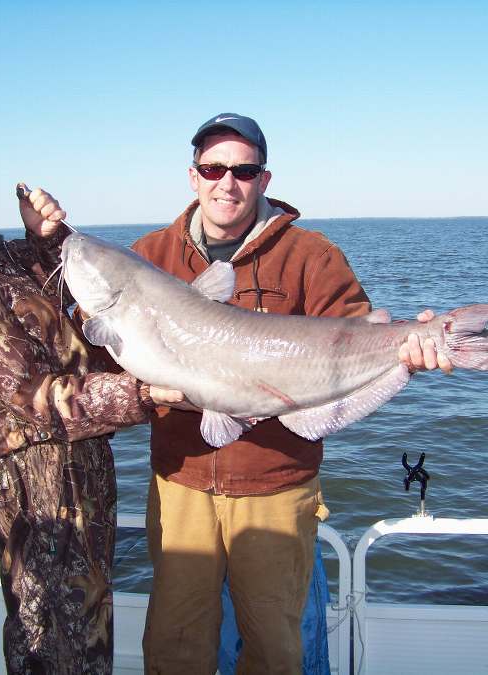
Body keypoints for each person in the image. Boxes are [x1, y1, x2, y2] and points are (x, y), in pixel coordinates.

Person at [132, 113, 452, 674]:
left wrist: (407, 348)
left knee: (277, 646)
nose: (226, 183)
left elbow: (354, 330)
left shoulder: (311, 254)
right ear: (192, 176)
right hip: (180, 481)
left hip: (277, 484)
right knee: (174, 641)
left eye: (243, 170)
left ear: (264, 178)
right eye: (212, 168)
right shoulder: (151, 255)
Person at [0, 134, 184, 675]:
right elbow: (43, 398)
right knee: (51, 643)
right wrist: (147, 393)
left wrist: (46, 236)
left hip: (78, 480)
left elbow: (55, 295)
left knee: (88, 631)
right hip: (34, 501)